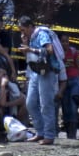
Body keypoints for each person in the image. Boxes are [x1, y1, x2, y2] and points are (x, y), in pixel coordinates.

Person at [17, 15, 65, 145]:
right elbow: (27, 55)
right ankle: (40, 132)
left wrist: (30, 48)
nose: (22, 32)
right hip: (35, 72)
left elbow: (49, 50)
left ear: (30, 26)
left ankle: (49, 135)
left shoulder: (42, 34)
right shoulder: (30, 37)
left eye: (23, 29)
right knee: (30, 103)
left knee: (46, 104)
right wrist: (26, 44)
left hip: (47, 71)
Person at [58, 33, 79, 139]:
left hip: (74, 81)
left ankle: (73, 134)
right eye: (63, 41)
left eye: (67, 41)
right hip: (62, 82)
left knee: (73, 106)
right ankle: (68, 131)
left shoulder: (73, 52)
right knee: (65, 107)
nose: (65, 43)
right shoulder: (57, 53)